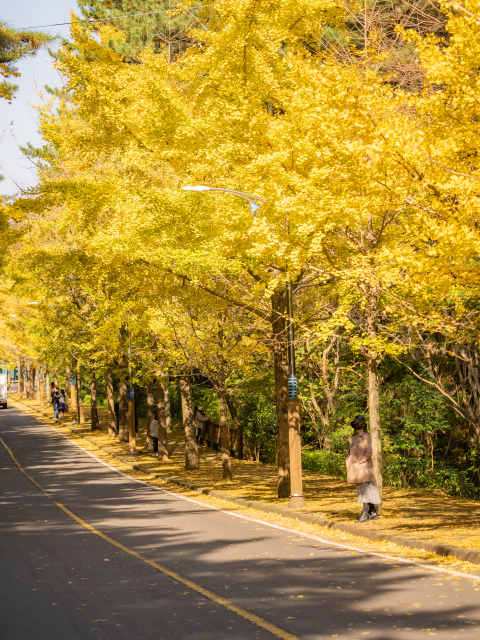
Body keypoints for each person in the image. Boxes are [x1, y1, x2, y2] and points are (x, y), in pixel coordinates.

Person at [345, 415, 381, 523]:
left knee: (365, 491)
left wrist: (361, 460)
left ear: (363, 424)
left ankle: (364, 514)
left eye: (359, 422)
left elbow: (369, 451)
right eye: (355, 422)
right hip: (355, 467)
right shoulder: (353, 437)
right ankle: (373, 513)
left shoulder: (366, 436)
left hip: (363, 467)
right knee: (365, 490)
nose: (357, 424)